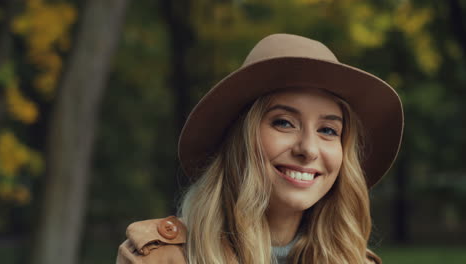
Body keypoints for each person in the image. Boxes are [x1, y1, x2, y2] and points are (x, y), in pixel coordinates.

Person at [116, 33, 403, 264]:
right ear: (240, 139)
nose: (309, 149)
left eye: (328, 130)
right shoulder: (159, 258)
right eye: (284, 123)